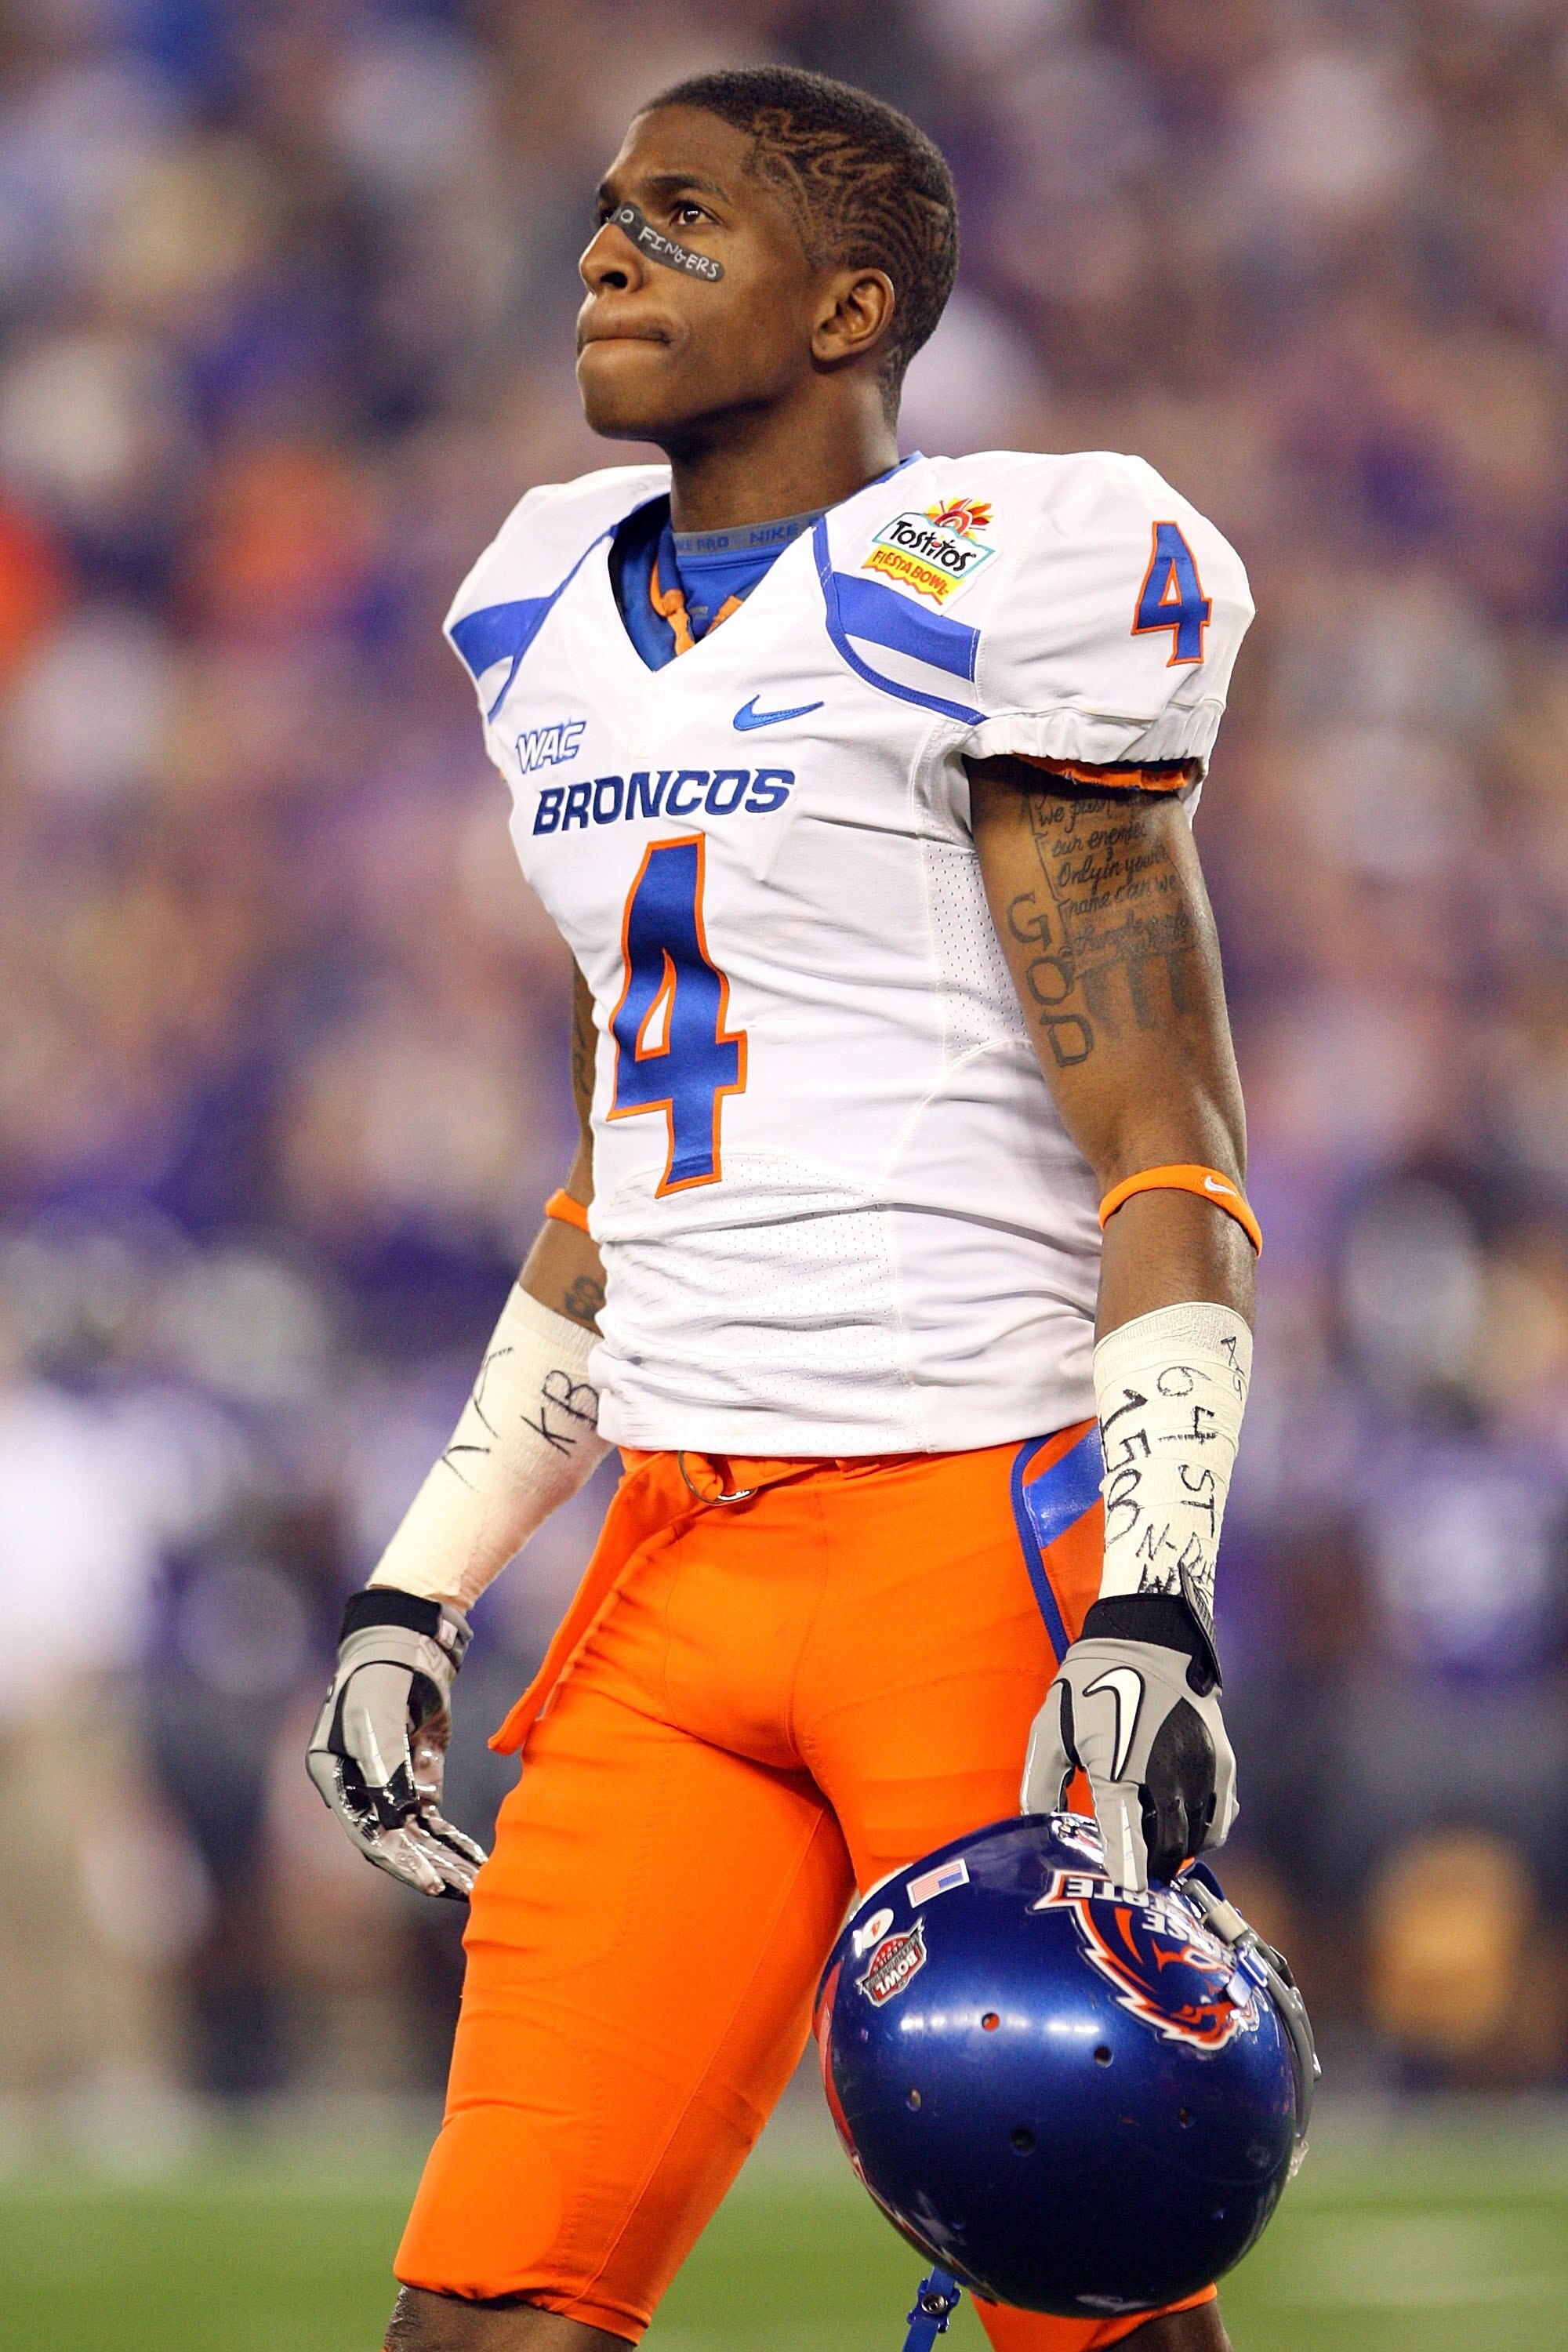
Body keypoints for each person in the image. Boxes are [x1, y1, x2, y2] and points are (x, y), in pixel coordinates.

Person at [307, 65, 1259, 2352]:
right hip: (679, 1564)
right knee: (489, 2307)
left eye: (685, 220)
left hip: (972, 1544)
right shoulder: (540, 615)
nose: (605, 254)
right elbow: (617, 1186)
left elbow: (1173, 1156)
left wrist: (1153, 1601)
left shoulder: (989, 583)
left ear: (852, 307)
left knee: (1091, 2297)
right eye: (607, 213)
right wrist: (421, 1583)